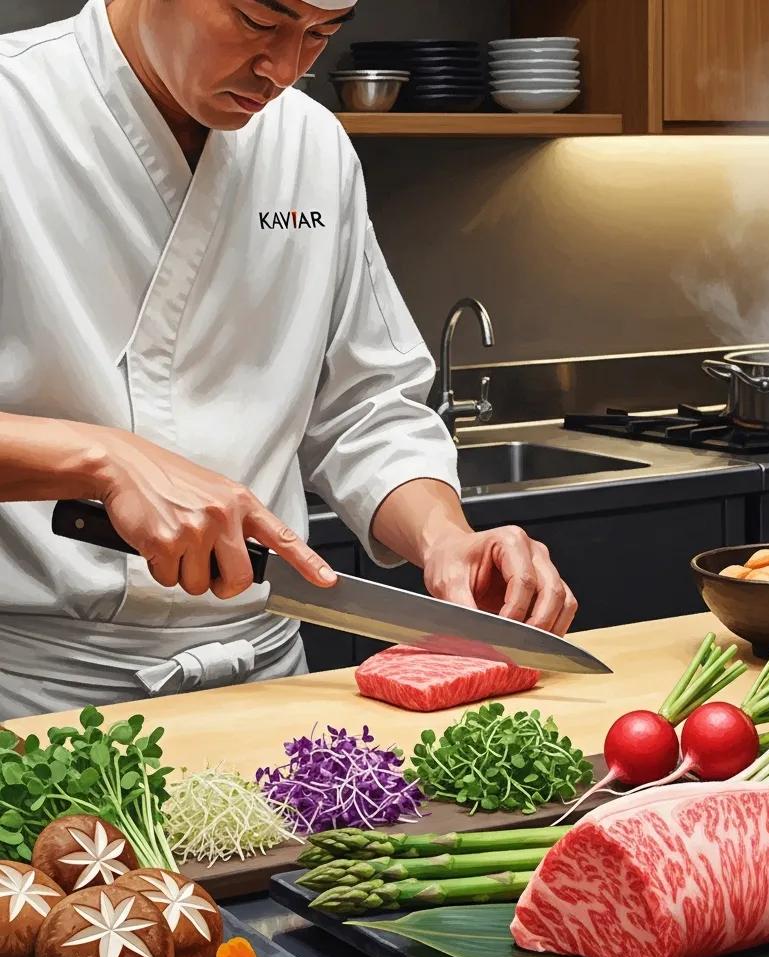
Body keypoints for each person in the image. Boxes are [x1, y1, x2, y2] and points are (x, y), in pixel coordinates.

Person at [0, 0, 577, 719]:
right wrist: (98, 458)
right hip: (36, 696)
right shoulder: (11, 109)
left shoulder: (311, 145)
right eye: (256, 20)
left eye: (321, 33)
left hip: (268, 684)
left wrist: (445, 538)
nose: (286, 70)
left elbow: (366, 409)